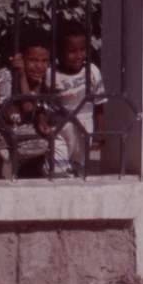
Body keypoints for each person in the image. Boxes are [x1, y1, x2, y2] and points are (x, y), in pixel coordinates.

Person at [0, 30, 52, 178]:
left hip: (14, 132)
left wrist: (41, 120)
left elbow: (30, 107)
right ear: (19, 59)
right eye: (33, 60)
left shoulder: (40, 81)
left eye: (45, 61)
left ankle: (5, 159)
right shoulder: (3, 79)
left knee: (42, 143)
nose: (40, 66)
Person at [45, 21, 106, 178]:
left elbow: (99, 104)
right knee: (56, 171)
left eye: (82, 49)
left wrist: (100, 130)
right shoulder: (51, 74)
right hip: (59, 129)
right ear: (58, 52)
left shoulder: (92, 71)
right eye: (72, 51)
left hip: (84, 129)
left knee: (80, 172)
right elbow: (42, 103)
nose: (79, 55)